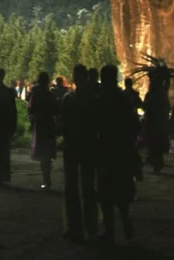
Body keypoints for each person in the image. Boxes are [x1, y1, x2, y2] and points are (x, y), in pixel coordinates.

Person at [95, 64, 136, 242]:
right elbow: (135, 125)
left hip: (105, 151)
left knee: (106, 193)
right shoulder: (124, 100)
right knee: (122, 191)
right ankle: (126, 225)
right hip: (122, 151)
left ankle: (109, 232)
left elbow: (93, 126)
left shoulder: (101, 100)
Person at [61, 64, 98, 242]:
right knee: (89, 186)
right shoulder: (94, 99)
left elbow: (61, 124)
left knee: (71, 188)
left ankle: (74, 228)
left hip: (72, 146)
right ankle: (91, 226)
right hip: (89, 146)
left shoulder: (69, 99)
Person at [28, 72, 57, 190]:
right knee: (47, 154)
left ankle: (46, 179)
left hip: (40, 125)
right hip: (49, 125)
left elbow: (31, 109)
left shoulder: (36, 94)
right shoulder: (50, 95)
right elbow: (56, 109)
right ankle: (47, 178)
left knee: (43, 154)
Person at [142, 63, 171, 173]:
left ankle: (156, 162)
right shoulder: (161, 93)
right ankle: (156, 162)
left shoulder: (153, 94)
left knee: (154, 144)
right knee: (156, 144)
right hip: (158, 124)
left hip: (154, 124)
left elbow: (145, 106)